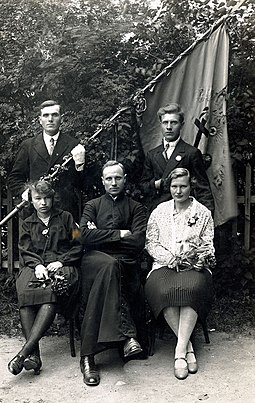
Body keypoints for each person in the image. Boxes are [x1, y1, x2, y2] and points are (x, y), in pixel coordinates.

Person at [79, 160, 147, 386]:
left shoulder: (136, 207)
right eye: (108, 178)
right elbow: (82, 236)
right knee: (109, 265)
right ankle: (128, 336)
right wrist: (119, 235)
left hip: (124, 263)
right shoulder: (92, 205)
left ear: (125, 179)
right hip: (93, 261)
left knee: (113, 267)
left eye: (117, 178)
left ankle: (87, 356)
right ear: (102, 181)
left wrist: (100, 235)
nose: (113, 182)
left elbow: (137, 242)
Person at [144, 168, 215, 380]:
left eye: (183, 186)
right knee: (164, 291)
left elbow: (208, 245)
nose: (178, 190)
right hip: (164, 266)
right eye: (174, 186)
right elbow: (151, 242)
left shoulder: (203, 213)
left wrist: (199, 258)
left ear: (190, 186)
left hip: (193, 268)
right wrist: (169, 258)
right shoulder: (159, 211)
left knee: (191, 289)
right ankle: (188, 347)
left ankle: (178, 353)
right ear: (169, 187)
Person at [8, 180, 82, 376]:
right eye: (38, 199)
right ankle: (34, 355)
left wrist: (62, 261)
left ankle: (23, 354)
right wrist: (38, 264)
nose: (43, 203)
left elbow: (78, 243)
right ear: (31, 201)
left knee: (51, 291)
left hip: (62, 267)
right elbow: (24, 249)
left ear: (53, 198)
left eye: (46, 198)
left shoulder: (67, 218)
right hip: (35, 267)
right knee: (25, 292)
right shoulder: (27, 223)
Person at [8, 100, 86, 221]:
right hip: (35, 213)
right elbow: (14, 179)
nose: (50, 119)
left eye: (54, 115)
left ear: (61, 118)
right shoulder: (28, 145)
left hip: (64, 212)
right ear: (40, 120)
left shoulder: (74, 145)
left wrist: (79, 166)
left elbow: (82, 184)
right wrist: (27, 192)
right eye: (46, 115)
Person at [140, 103, 214, 214]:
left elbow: (202, 188)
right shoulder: (152, 154)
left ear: (181, 125)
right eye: (165, 122)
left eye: (173, 122)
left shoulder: (191, 153)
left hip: (184, 212)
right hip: (158, 213)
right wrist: (158, 184)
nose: (169, 127)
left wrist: (206, 216)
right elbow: (143, 187)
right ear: (161, 124)